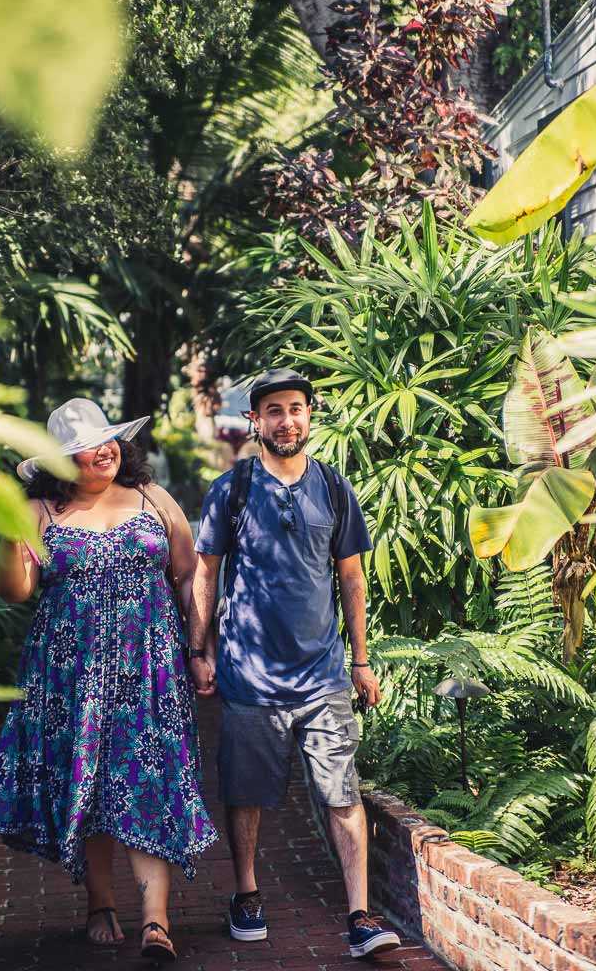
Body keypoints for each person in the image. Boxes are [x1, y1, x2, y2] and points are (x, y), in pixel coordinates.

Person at [0, 398, 217, 961]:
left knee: (151, 780)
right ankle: (101, 903)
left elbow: (188, 576)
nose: (103, 451)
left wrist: (199, 649)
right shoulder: (39, 511)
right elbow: (15, 591)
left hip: (151, 672)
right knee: (91, 782)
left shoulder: (154, 499)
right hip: (69, 674)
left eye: (107, 440)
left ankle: (156, 921)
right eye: (85, 449)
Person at [188, 369, 401, 959]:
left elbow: (351, 578)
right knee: (246, 793)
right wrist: (199, 650)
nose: (287, 420)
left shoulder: (334, 488)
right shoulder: (229, 490)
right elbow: (205, 573)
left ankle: (359, 914)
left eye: (297, 409)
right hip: (248, 675)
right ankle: (248, 894)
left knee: (341, 792)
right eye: (275, 410)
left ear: (311, 415)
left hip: (323, 674)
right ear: (255, 421)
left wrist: (361, 661)